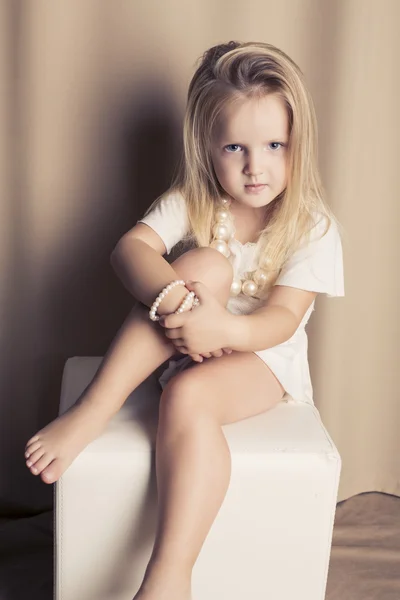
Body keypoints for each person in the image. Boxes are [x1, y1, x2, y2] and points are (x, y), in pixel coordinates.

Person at [24, 41, 344, 600]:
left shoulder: (311, 225)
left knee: (190, 397)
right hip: (185, 332)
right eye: (235, 148)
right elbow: (129, 250)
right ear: (207, 149)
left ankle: (171, 573)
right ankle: (94, 411)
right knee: (202, 264)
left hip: (261, 359)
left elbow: (283, 320)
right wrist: (176, 300)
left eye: (274, 145)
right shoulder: (196, 201)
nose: (255, 166)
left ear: (298, 144)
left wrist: (226, 332)